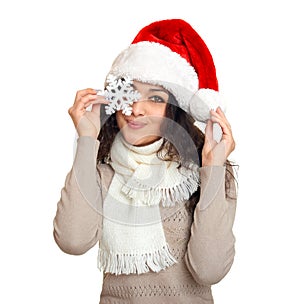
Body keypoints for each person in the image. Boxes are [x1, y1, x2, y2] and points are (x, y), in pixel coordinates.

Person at [53, 19, 237, 304]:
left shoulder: (206, 176)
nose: (137, 109)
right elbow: (72, 241)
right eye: (130, 93)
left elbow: (209, 270)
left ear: (173, 110)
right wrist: (87, 139)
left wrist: (212, 169)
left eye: (155, 97)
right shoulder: (101, 175)